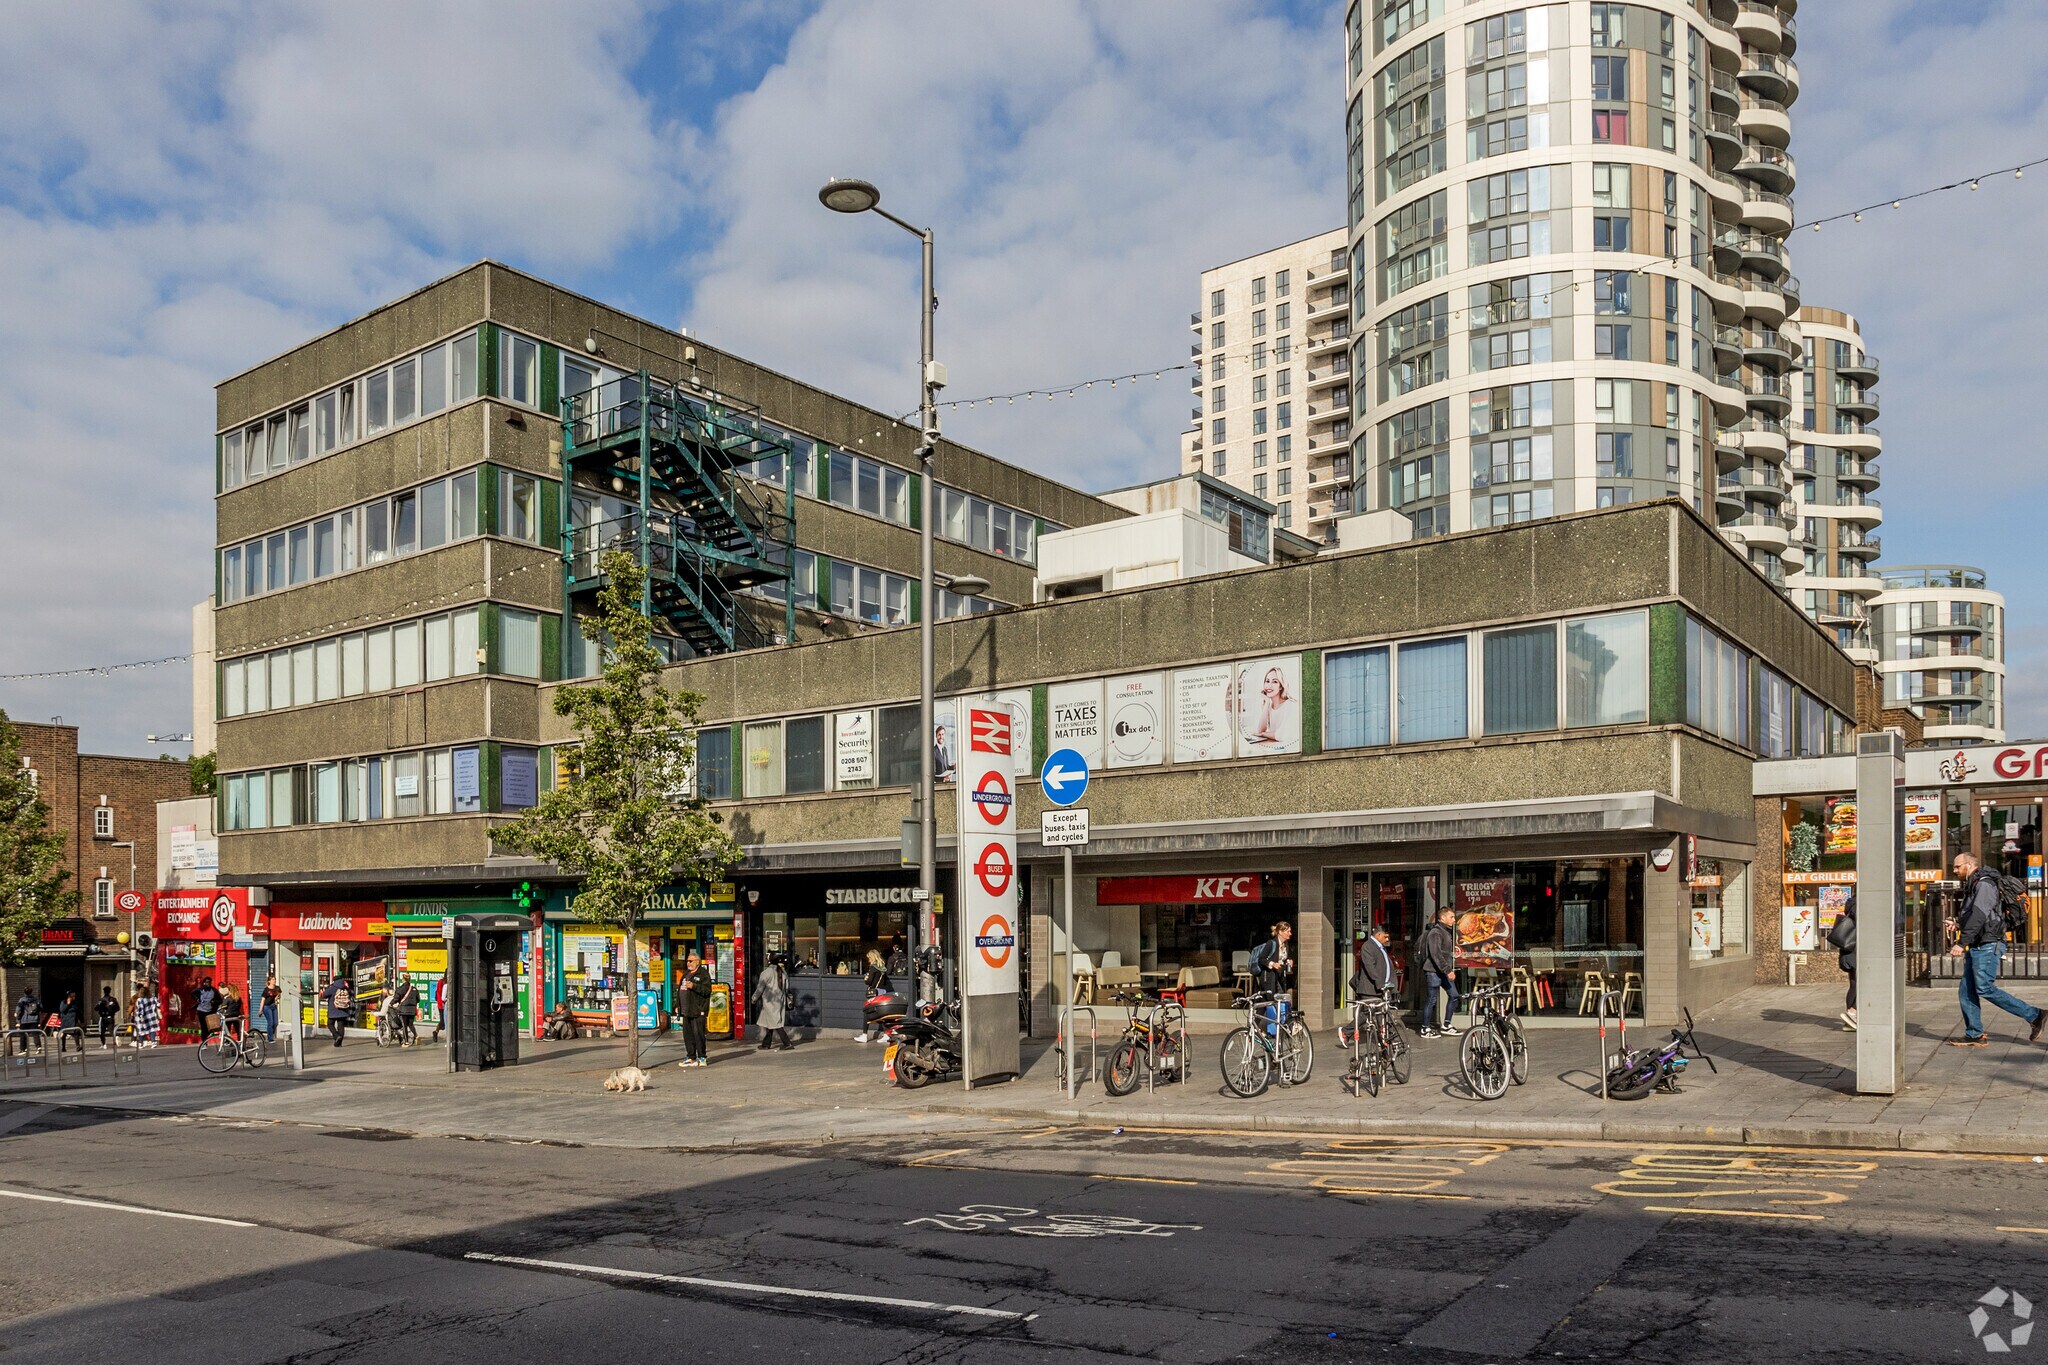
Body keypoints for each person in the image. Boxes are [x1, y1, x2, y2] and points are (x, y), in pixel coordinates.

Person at [1948, 852, 2045, 1047]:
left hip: (1989, 943)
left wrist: (1961, 942)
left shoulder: (1984, 884)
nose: (1954, 870)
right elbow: (1980, 916)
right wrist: (1959, 925)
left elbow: (1980, 914)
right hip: (1979, 942)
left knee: (1984, 987)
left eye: (1957, 866)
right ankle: (1974, 1034)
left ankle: (2035, 1015)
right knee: (1966, 990)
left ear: (1969, 865)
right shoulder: (1974, 884)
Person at [1417, 907, 1462, 1039]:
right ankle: (1425, 1028)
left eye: (1454, 917)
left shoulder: (1445, 932)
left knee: (1454, 995)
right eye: (1451, 917)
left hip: (1442, 971)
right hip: (1433, 971)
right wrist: (1448, 970)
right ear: (1443, 918)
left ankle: (1446, 1025)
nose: (1454, 920)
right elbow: (1436, 954)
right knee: (1432, 999)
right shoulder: (1435, 933)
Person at [675, 950, 712, 1067]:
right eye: (687, 961)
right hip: (686, 1010)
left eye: (690, 961)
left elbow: (707, 990)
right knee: (688, 1035)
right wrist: (677, 1005)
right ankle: (691, 1057)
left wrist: (694, 986)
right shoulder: (686, 974)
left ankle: (702, 1057)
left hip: (697, 1010)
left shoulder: (703, 974)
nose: (688, 963)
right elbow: (680, 990)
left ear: (698, 962)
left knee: (698, 1034)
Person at [1827, 895, 1857, 1031]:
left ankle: (1850, 1022)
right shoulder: (1860, 906)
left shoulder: (1851, 905)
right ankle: (1853, 1012)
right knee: (1865, 984)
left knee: (1855, 985)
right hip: (1856, 953)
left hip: (1848, 952)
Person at [855, 949, 896, 1043]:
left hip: (874, 993)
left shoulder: (873, 968)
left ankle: (864, 1035)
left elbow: (869, 982)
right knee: (881, 1014)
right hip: (882, 992)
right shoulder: (882, 968)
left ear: (872, 957)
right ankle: (887, 1033)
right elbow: (885, 982)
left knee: (867, 1012)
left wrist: (866, 979)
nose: (868, 960)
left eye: (869, 958)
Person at [756, 953, 793, 1052]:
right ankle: (766, 1044)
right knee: (771, 1022)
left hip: (769, 1001)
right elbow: (786, 988)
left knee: (775, 1023)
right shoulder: (783, 972)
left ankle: (787, 1043)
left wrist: (754, 998)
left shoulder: (766, 973)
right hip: (780, 1000)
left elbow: (760, 988)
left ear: (769, 961)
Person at [1249, 921, 1296, 997]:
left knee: (1280, 998)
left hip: (1279, 976)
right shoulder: (1271, 943)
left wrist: (1288, 961)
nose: (1290, 933)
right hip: (1269, 976)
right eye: (1288, 931)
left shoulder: (1286, 944)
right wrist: (1273, 964)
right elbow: (1261, 959)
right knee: (1270, 999)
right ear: (1280, 932)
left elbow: (1284, 958)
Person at [320, 975, 355, 1047]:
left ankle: (336, 1036)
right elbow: (351, 994)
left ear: (334, 980)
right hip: (343, 1009)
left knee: (330, 1024)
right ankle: (339, 1043)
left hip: (333, 1010)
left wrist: (322, 992)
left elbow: (324, 995)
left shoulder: (332, 987)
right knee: (341, 1025)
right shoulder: (345, 987)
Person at [389, 976, 421, 1047]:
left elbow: (396, 998)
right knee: (411, 1024)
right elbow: (418, 999)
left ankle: (406, 1042)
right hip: (412, 1010)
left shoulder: (400, 989)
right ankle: (416, 1035)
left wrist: (391, 1003)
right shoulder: (414, 989)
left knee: (404, 1026)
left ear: (403, 980)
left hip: (403, 1010)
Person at [193, 976, 222, 1044]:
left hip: (210, 1011)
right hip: (201, 1011)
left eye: (209, 982)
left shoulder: (214, 991)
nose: (208, 984)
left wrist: (214, 1002)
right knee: (203, 1027)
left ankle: (205, 1038)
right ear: (204, 983)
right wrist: (197, 999)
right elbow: (192, 993)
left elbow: (220, 1000)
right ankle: (204, 1042)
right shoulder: (200, 990)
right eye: (207, 982)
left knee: (210, 1027)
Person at [259, 975, 281, 1042]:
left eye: (274, 979)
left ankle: (271, 1034)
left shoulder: (277, 988)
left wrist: (277, 998)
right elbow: (263, 999)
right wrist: (260, 1010)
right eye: (272, 979)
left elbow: (279, 994)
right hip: (267, 1007)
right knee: (270, 1022)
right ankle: (270, 1038)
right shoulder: (266, 990)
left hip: (273, 1006)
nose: (274, 981)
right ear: (269, 981)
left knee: (275, 1023)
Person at [431, 975, 447, 1043]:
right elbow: (439, 994)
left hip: (445, 1004)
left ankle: (436, 1032)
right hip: (441, 1005)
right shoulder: (441, 982)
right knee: (443, 1022)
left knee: (444, 1023)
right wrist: (442, 1003)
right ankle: (435, 1032)